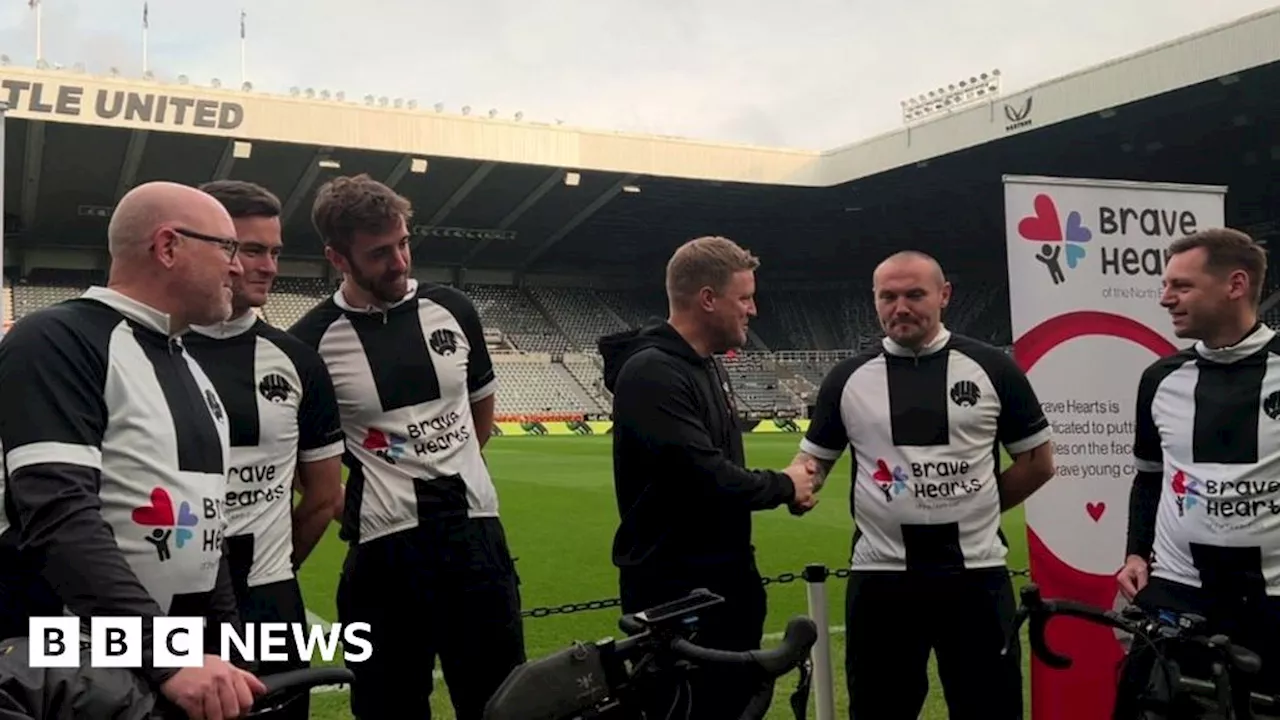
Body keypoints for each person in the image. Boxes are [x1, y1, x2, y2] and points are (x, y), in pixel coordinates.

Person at [0, 181, 267, 719]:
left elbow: (207, 531)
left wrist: (222, 647)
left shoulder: (189, 365)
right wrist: (167, 657)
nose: (237, 268)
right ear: (168, 247)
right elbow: (59, 517)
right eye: (228, 248)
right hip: (72, 675)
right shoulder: (56, 340)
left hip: (167, 674)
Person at [287, 174, 524, 720]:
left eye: (403, 243)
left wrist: (459, 465)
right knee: (387, 707)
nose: (399, 262)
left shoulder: (454, 309)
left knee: (503, 704)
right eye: (378, 253)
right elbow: (305, 460)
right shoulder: (309, 343)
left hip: (476, 540)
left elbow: (479, 407)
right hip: (386, 556)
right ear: (337, 257)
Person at [792, 250, 1055, 720]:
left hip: (976, 576)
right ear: (874, 301)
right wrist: (793, 486)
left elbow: (1037, 463)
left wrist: (977, 508)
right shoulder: (847, 379)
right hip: (882, 580)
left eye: (915, 294)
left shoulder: (994, 368)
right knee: (880, 709)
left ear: (944, 295)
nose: (901, 307)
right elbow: (812, 464)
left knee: (989, 709)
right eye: (888, 296)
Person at [597, 235, 819, 720]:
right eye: (744, 297)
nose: (753, 310)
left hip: (720, 580)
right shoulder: (653, 372)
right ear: (707, 299)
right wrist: (784, 485)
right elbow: (703, 477)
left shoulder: (703, 365)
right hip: (676, 592)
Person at [181, 180, 346, 720]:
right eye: (252, 249)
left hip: (270, 606)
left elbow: (325, 496)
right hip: (162, 609)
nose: (270, 266)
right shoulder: (138, 349)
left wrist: (275, 569)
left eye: (274, 251)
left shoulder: (298, 362)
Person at [1117, 228, 1280, 713]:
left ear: (1235, 284)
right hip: (1181, 593)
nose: (1165, 298)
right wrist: (1134, 553)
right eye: (1166, 285)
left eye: (1181, 286)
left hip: (1272, 597)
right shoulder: (1160, 379)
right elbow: (1149, 477)